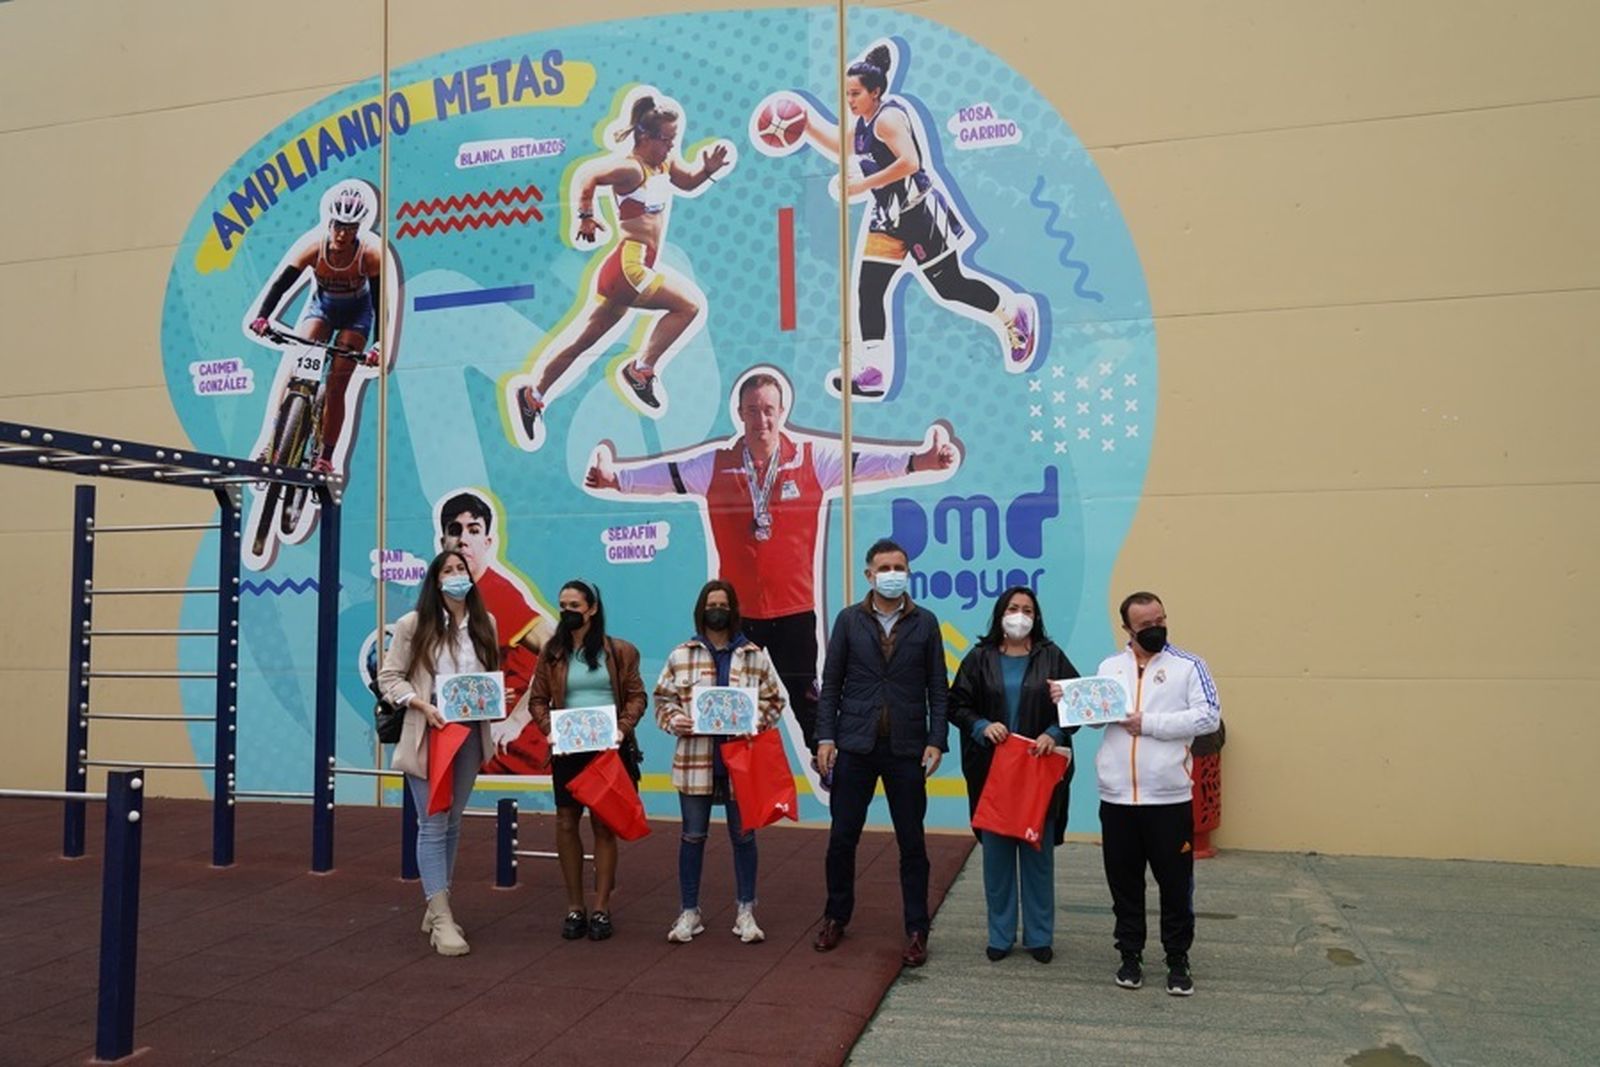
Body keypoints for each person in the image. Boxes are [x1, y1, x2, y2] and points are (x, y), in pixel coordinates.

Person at [585, 367, 960, 796]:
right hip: (737, 617)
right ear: (739, 415)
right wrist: (616, 479)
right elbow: (666, 475)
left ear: (782, 412)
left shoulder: (811, 457)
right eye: (751, 411)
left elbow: (869, 465)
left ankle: (828, 765)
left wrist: (920, 461)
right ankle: (725, 776)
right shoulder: (716, 463)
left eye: (768, 410)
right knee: (729, 699)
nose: (760, 420)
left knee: (806, 698)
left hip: (794, 610)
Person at [771, 40, 1041, 399]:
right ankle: (874, 371)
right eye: (847, 93)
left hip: (919, 213)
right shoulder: (866, 123)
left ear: (875, 91)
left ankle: (1013, 313)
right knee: (869, 289)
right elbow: (841, 144)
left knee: (951, 286)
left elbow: (910, 162)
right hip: (887, 218)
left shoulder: (889, 118)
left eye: (855, 94)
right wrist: (800, 122)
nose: (849, 101)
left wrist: (861, 185)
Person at [509, 89, 734, 449]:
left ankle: (534, 395)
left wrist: (706, 171)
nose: (671, 147)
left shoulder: (663, 163)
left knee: (585, 339)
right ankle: (640, 370)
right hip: (630, 265)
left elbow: (687, 180)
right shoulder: (630, 168)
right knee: (689, 306)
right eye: (665, 140)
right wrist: (586, 216)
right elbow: (588, 178)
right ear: (644, 137)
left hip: (627, 269)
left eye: (674, 140)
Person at [812, 539, 949, 967]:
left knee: (912, 842)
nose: (893, 573)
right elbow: (830, 683)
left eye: (900, 566)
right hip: (855, 745)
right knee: (842, 838)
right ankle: (836, 915)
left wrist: (937, 738)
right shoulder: (849, 620)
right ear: (869, 574)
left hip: (907, 748)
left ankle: (916, 928)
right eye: (885, 567)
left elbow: (938, 688)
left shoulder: (925, 623)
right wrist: (825, 738)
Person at [1094, 591, 1221, 996]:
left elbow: (1208, 717)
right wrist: (1073, 704)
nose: (1156, 629)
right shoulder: (1109, 667)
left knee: (1175, 884)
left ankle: (1177, 959)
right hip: (1117, 799)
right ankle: (1130, 955)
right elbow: (1098, 719)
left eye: (1160, 620)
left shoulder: (1189, 666)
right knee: (1124, 883)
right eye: (1146, 625)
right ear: (1127, 628)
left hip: (1168, 799)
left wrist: (1148, 723)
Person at [377, 549, 499, 957]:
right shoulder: (415, 624)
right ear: (435, 579)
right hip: (428, 733)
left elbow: (487, 678)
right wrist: (419, 703)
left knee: (453, 822)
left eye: (460, 568)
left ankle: (435, 903)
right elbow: (389, 677)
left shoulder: (486, 624)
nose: (455, 575)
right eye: (447, 570)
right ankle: (442, 917)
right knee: (432, 823)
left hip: (468, 735)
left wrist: (496, 699)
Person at [948, 587, 1079, 963]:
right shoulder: (979, 658)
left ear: (1036, 617)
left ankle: (1039, 936)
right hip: (994, 773)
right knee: (997, 859)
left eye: (1027, 610)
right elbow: (957, 705)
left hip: (1039, 772)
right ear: (999, 614)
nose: (1020, 615)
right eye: (1013, 608)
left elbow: (1079, 706)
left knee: (1038, 859)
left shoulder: (1052, 657)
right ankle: (1000, 935)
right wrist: (981, 726)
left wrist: (1054, 734)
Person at [653, 580, 788, 944]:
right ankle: (689, 912)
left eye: (723, 604)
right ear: (701, 609)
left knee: (744, 838)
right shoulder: (682, 654)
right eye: (711, 603)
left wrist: (753, 722)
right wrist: (673, 720)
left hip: (740, 763)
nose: (717, 609)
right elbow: (662, 700)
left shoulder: (753, 655)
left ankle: (746, 910)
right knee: (692, 836)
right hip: (695, 762)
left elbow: (775, 701)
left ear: (733, 609)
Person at [246, 180, 395, 476]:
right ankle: (274, 439)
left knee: (338, 381)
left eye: (350, 228)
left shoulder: (370, 255)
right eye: (338, 225)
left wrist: (377, 345)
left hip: (357, 314)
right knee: (297, 367)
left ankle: (325, 456)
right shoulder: (314, 249)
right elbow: (281, 286)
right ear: (330, 222)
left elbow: (380, 303)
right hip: (323, 309)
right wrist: (263, 317)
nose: (342, 233)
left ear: (358, 228)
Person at [527, 579, 647, 941]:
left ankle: (601, 908)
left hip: (608, 749)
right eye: (563, 605)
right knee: (566, 823)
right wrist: (550, 729)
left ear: (592, 609)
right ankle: (574, 906)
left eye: (575, 605)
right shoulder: (552, 652)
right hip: (566, 749)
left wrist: (622, 730)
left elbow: (637, 697)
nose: (567, 611)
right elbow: (537, 699)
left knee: (603, 826)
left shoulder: (620, 651)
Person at [432, 489, 557, 774]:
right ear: (443, 542)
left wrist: (516, 720)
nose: (463, 539)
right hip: (470, 728)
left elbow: (558, 650)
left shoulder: (496, 593)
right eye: (455, 530)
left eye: (473, 530)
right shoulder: (445, 598)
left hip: (512, 748)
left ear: (487, 541)